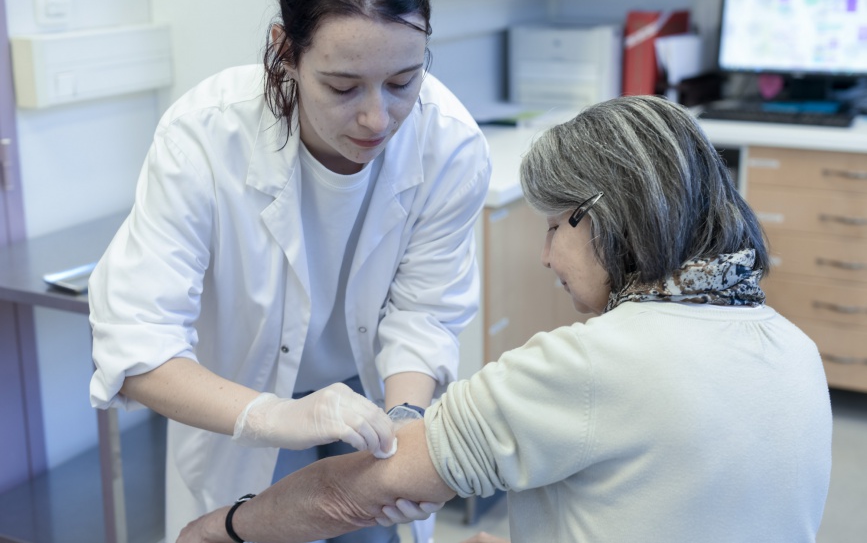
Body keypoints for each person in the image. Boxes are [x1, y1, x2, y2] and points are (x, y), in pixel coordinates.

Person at [176, 95, 833, 543]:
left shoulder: (590, 363)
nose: (545, 254)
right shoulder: (796, 350)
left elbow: (350, 496)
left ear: (602, 217)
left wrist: (221, 526)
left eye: (553, 225)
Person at [88, 0, 492, 542]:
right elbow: (136, 346)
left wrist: (404, 420)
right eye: (343, 86)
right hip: (241, 398)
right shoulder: (204, 138)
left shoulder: (448, 145)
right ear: (285, 51)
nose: (377, 119)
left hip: (374, 392)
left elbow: (424, 313)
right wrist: (276, 416)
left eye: (404, 81)